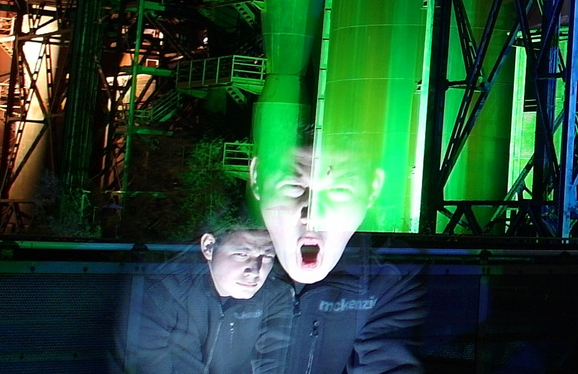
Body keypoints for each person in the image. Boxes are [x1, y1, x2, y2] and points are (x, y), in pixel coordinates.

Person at [250, 146, 424, 373]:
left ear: (372, 189)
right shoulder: (212, 270)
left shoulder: (392, 278)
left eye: (339, 190)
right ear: (256, 178)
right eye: (293, 186)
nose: (312, 215)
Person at [110, 222, 291, 374]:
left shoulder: (275, 295)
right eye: (242, 254)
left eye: (267, 256)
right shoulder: (160, 295)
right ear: (208, 247)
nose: (255, 270)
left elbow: (277, 362)